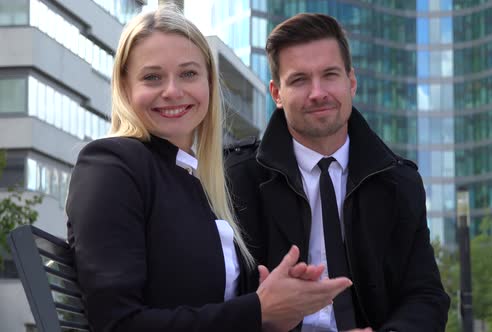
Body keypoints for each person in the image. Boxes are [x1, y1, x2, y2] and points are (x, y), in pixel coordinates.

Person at [66, 7, 353, 332]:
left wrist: (279, 303)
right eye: (152, 77)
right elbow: (118, 324)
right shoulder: (111, 165)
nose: (173, 90)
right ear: (125, 87)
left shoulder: (194, 179)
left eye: (188, 74)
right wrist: (258, 310)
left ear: (209, 83)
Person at [226, 13, 450, 332]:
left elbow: (425, 296)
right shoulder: (235, 180)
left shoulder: (400, 183)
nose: (318, 93)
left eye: (329, 75)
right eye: (300, 80)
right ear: (277, 94)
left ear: (351, 82)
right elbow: (213, 300)